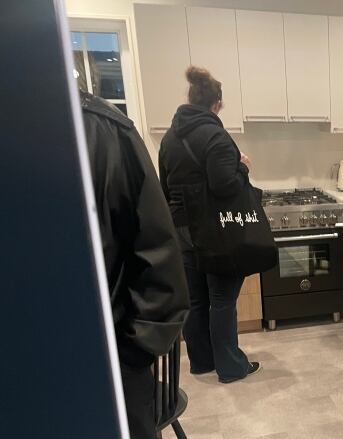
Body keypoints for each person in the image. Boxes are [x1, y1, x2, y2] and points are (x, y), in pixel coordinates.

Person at [81, 92, 190, 438]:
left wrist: (130, 356)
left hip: (109, 369)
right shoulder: (107, 130)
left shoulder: (102, 129)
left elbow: (158, 264)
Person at [158, 66, 260, 384]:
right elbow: (224, 185)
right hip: (214, 231)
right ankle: (231, 366)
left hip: (181, 231)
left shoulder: (170, 138)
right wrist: (242, 167)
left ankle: (202, 362)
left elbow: (164, 187)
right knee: (222, 299)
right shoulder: (214, 135)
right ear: (216, 103)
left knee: (197, 299)